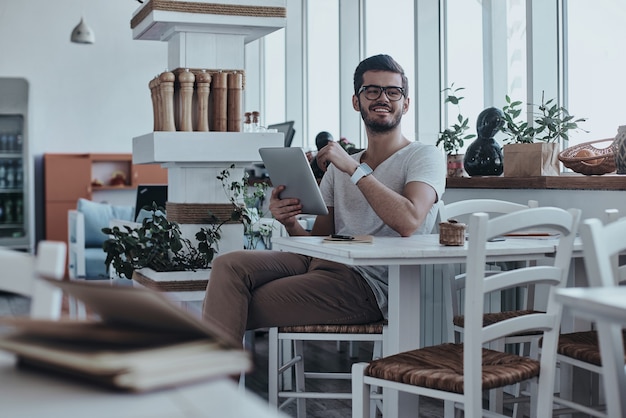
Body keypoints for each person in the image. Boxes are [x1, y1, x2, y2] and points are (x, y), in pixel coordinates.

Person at [202, 54, 446, 346]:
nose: (383, 98)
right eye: (372, 90)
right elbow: (318, 240)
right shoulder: (340, 167)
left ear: (405, 103)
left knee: (230, 304)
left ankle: (211, 387)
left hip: (370, 284)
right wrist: (290, 222)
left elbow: (409, 221)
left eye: (393, 91)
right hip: (324, 265)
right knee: (228, 266)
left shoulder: (423, 156)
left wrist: (354, 169)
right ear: (357, 101)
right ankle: (214, 387)